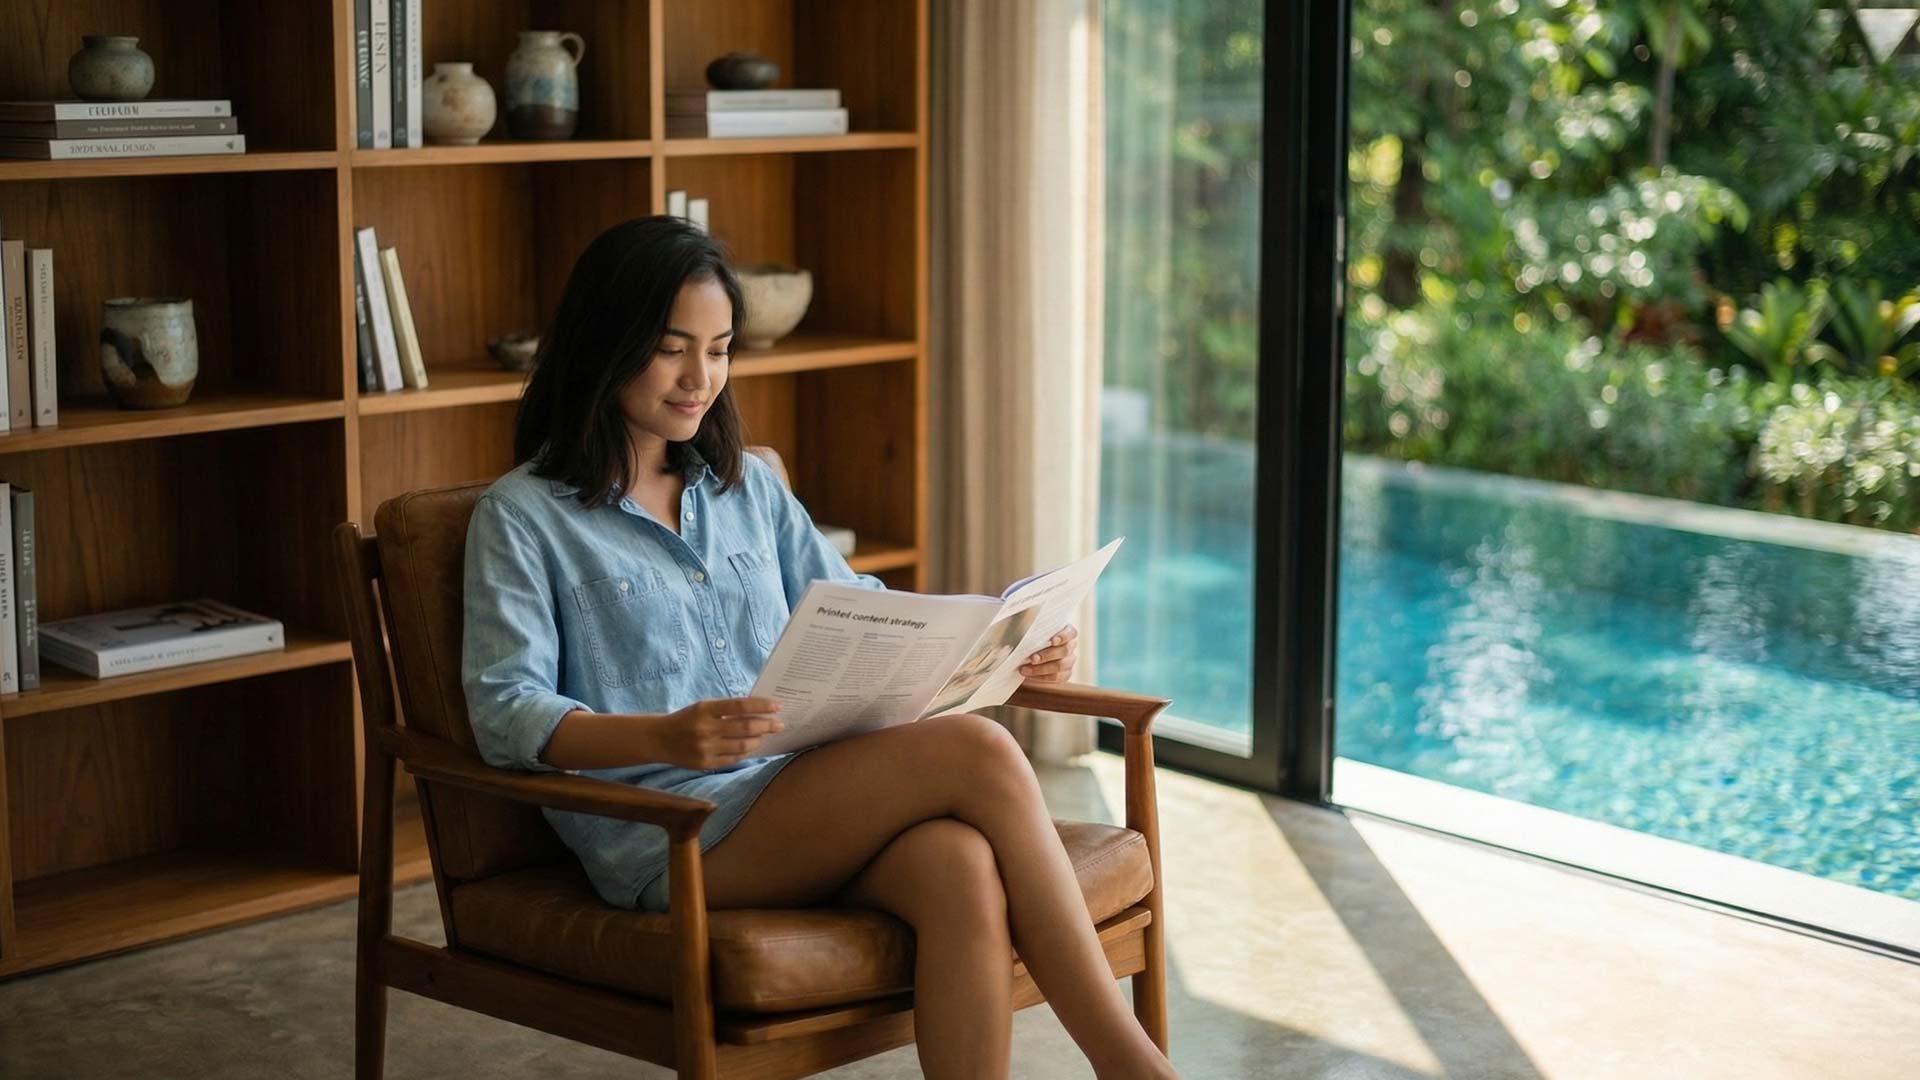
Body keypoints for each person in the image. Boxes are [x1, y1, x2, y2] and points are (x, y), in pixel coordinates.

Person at [461, 216, 1177, 1080]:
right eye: (672, 349)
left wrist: (1005, 650)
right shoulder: (523, 516)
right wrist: (661, 737)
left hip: (796, 793)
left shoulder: (748, 486)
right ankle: (1131, 1065)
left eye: (721, 350)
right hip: (673, 834)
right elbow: (505, 708)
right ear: (605, 342)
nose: (701, 379)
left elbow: (867, 615)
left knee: (957, 866)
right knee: (981, 752)